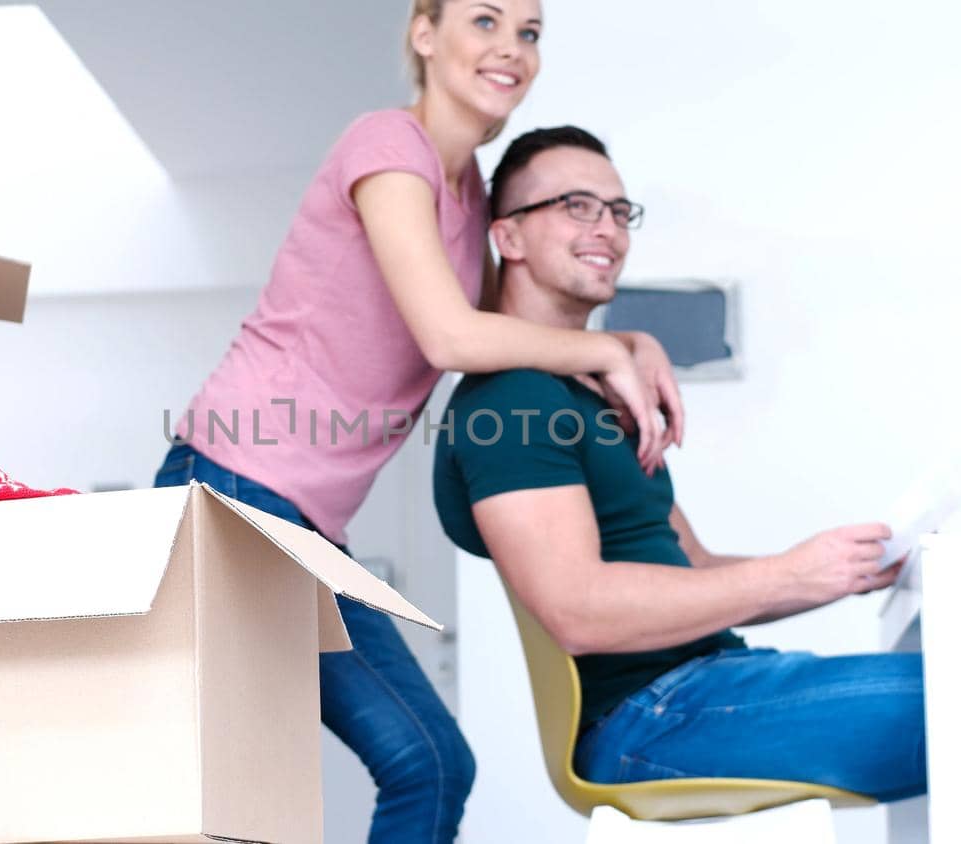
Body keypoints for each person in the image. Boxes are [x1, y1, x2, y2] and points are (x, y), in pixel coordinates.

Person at [431, 125, 961, 842]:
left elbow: (696, 571)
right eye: (577, 206)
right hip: (648, 718)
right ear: (509, 238)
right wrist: (786, 576)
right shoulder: (512, 403)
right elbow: (577, 609)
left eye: (620, 212)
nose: (608, 229)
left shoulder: (593, 393)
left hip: (706, 684)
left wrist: (831, 572)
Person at [154, 3, 691, 841]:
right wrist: (610, 353)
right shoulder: (386, 148)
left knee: (425, 763)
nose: (510, 48)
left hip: (297, 518)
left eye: (529, 32)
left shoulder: (471, 195)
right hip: (232, 487)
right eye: (484, 20)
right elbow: (452, 335)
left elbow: (509, 332)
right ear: (425, 32)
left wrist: (628, 339)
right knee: (246, 777)